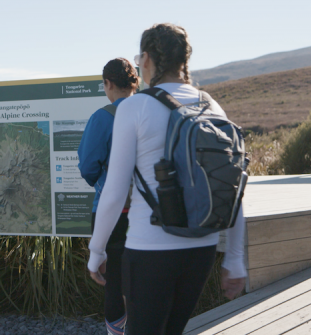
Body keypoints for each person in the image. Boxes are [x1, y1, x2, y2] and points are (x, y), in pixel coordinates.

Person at [87, 24, 247, 335]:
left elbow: (115, 191)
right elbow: (233, 186)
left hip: (151, 249)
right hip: (202, 248)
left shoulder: (135, 107)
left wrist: (97, 251)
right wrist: (236, 258)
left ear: (146, 59)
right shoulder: (210, 105)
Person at [78, 57, 138, 335]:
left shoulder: (103, 117)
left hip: (110, 212)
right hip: (147, 212)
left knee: (113, 283)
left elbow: (88, 165)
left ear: (109, 84)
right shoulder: (150, 112)